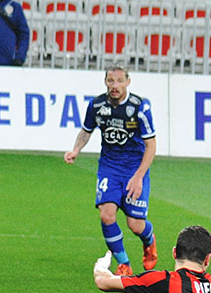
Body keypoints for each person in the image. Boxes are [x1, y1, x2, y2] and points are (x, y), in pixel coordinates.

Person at [65, 65, 157, 277]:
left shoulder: (139, 107)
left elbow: (151, 145)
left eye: (119, 81)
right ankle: (124, 262)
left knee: (135, 225)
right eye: (110, 81)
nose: (114, 86)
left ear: (128, 82)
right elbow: (86, 130)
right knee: (107, 216)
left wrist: (139, 177)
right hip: (110, 166)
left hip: (135, 167)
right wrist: (76, 150)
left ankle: (149, 241)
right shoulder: (97, 105)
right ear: (105, 82)